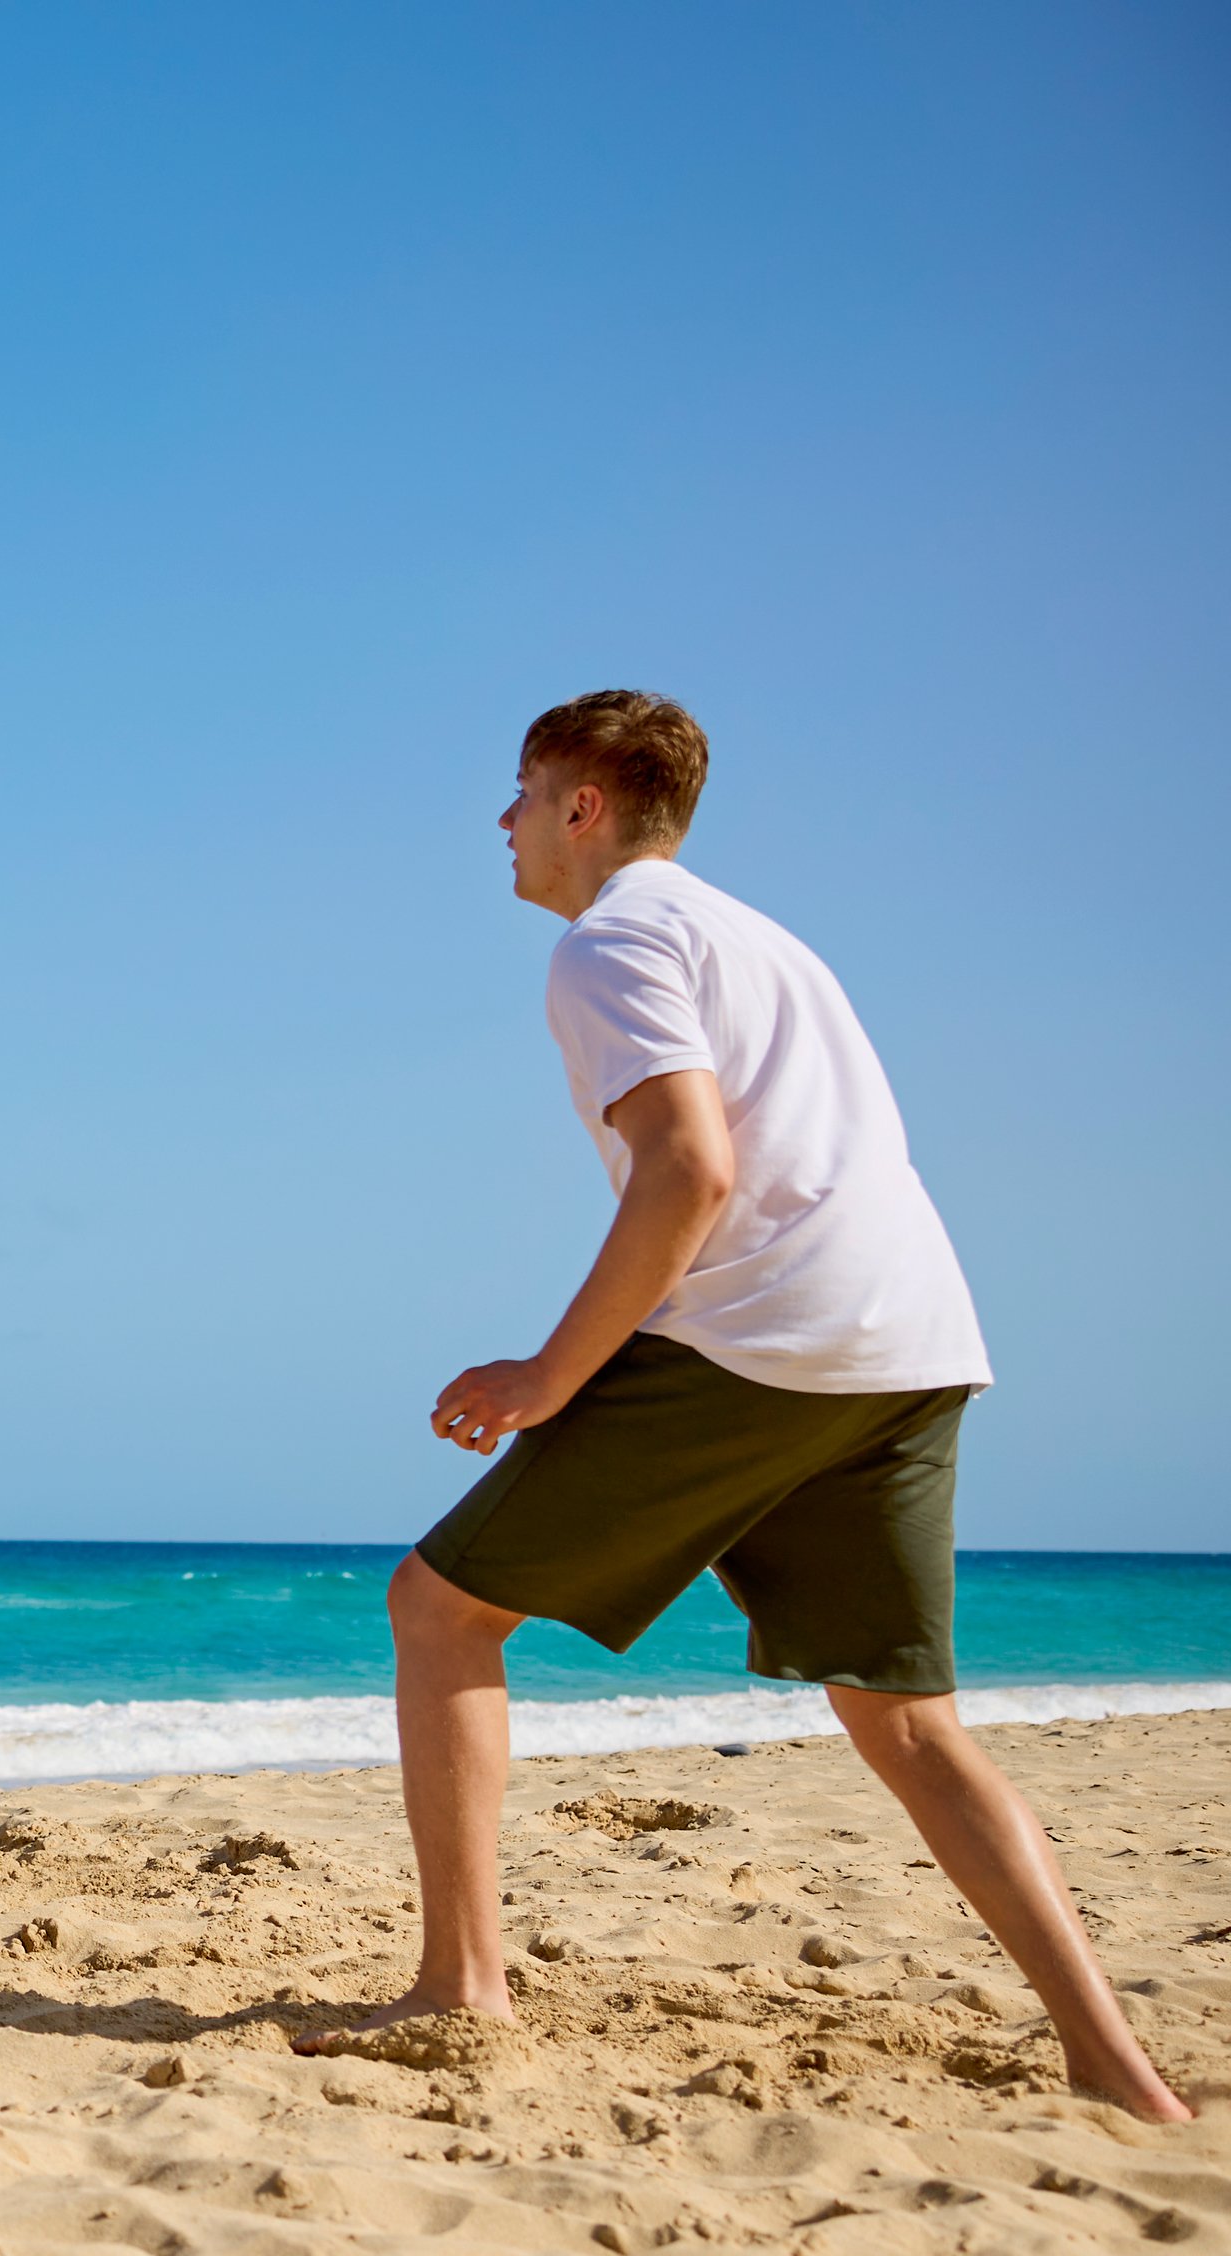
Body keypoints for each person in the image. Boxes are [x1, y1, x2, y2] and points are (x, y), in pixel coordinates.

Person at [298, 690, 1185, 2120]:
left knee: (440, 1609)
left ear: (584, 805)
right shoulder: (765, 939)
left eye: (522, 790)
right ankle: (1116, 2067)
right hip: (911, 1343)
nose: (504, 819)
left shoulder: (610, 941)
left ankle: (462, 1984)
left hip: (767, 1339)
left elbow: (691, 1167)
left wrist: (547, 1376)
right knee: (908, 1723)